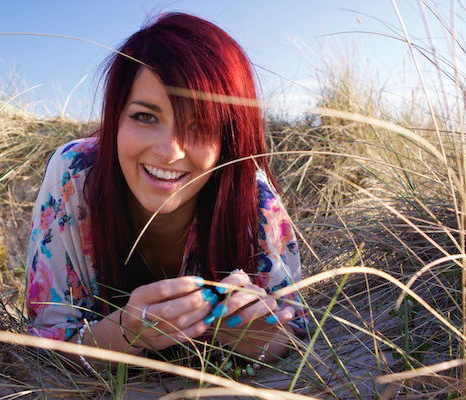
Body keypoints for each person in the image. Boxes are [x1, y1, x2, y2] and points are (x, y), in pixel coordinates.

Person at [25, 12, 307, 374]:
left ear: (229, 139)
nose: (170, 151)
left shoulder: (251, 198)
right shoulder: (75, 174)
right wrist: (126, 334)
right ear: (116, 117)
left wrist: (256, 339)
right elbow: (41, 346)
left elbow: (293, 339)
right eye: (145, 116)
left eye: (200, 124)